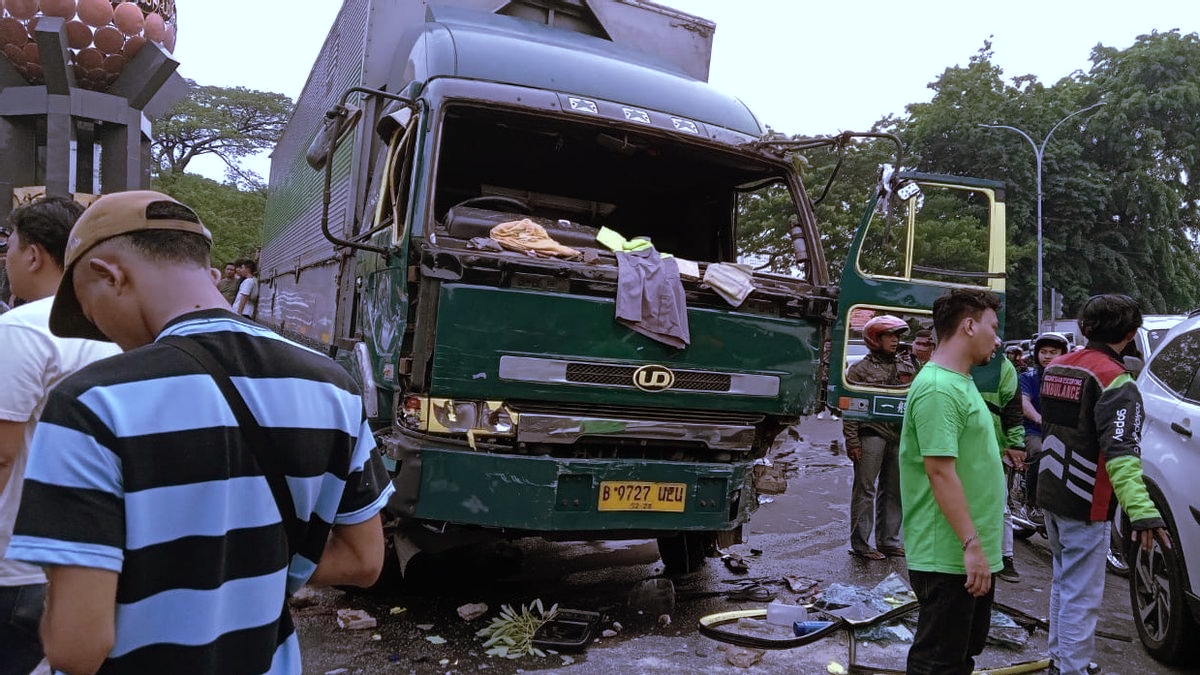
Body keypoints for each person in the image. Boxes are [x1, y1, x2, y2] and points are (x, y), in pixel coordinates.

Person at [7, 190, 393, 674]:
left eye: (90, 312)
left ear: (110, 275)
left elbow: (76, 648)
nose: (102, 333)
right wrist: (240, 565)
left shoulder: (90, 402)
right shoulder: (333, 386)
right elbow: (363, 560)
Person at [0, 197, 121, 675]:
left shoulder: (21, 330)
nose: (6, 261)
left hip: (16, 563)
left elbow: (1, 456)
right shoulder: (114, 324)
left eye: (9, 247)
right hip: (92, 558)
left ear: (33, 255)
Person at [1037, 295, 1170, 675]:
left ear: (1083, 327)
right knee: (1082, 594)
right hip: (1085, 501)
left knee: (1064, 582)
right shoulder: (1116, 381)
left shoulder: (1058, 365)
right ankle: (1072, 669)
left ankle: (1062, 661)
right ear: (1130, 335)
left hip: (1050, 490)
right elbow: (1123, 455)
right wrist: (1143, 512)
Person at [899, 288, 1005, 675]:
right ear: (969, 325)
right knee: (938, 664)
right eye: (992, 328)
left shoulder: (960, 381)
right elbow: (939, 472)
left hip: (970, 554)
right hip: (949, 555)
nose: (996, 338)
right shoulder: (939, 389)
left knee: (962, 656)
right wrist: (971, 545)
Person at [843, 315, 916, 560]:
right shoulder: (859, 369)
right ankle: (861, 544)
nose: (895, 341)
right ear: (875, 338)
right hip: (870, 433)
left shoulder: (907, 367)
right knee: (865, 489)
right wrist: (852, 440)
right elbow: (850, 407)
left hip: (899, 434)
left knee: (895, 489)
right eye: (890, 335)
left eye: (898, 336)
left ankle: (888, 541)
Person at [976, 352, 1026, 583]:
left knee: (1000, 504)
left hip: (992, 446)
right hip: (953, 444)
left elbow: (1013, 408)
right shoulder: (950, 358)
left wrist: (1016, 443)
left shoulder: (1002, 366)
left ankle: (1005, 557)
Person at [1019, 332, 1070, 525]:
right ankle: (1032, 503)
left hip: (1063, 430)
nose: (1047, 356)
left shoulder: (1071, 377)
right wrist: (1039, 419)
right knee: (1040, 453)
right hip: (1034, 431)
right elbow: (1024, 403)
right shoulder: (1028, 377)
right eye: (1044, 351)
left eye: (1053, 352)